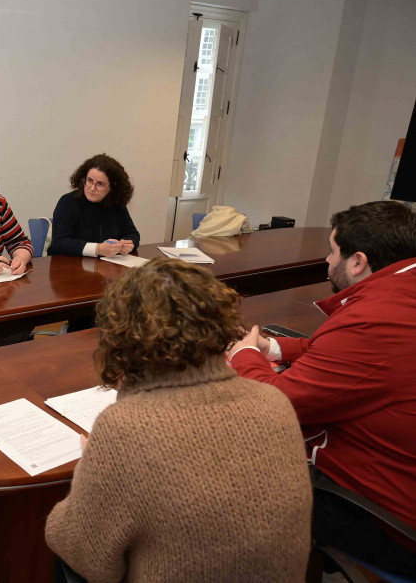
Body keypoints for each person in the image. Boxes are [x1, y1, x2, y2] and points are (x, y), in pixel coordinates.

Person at [46, 257, 312, 583]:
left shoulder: (126, 428)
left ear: (121, 335)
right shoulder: (273, 400)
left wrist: (89, 470)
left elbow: (87, 557)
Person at [229, 200, 416, 576]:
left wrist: (244, 356)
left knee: (230, 485)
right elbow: (349, 360)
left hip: (389, 520)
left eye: (333, 252)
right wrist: (273, 348)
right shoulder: (401, 295)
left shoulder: (373, 321)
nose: (327, 262)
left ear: (358, 262)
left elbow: (276, 406)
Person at [48, 153, 140, 258]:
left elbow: (132, 233)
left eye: (100, 184)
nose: (92, 188)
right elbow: (59, 243)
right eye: (89, 180)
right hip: (72, 267)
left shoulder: (116, 203)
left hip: (108, 267)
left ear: (113, 187)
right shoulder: (68, 202)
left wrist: (128, 244)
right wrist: (98, 249)